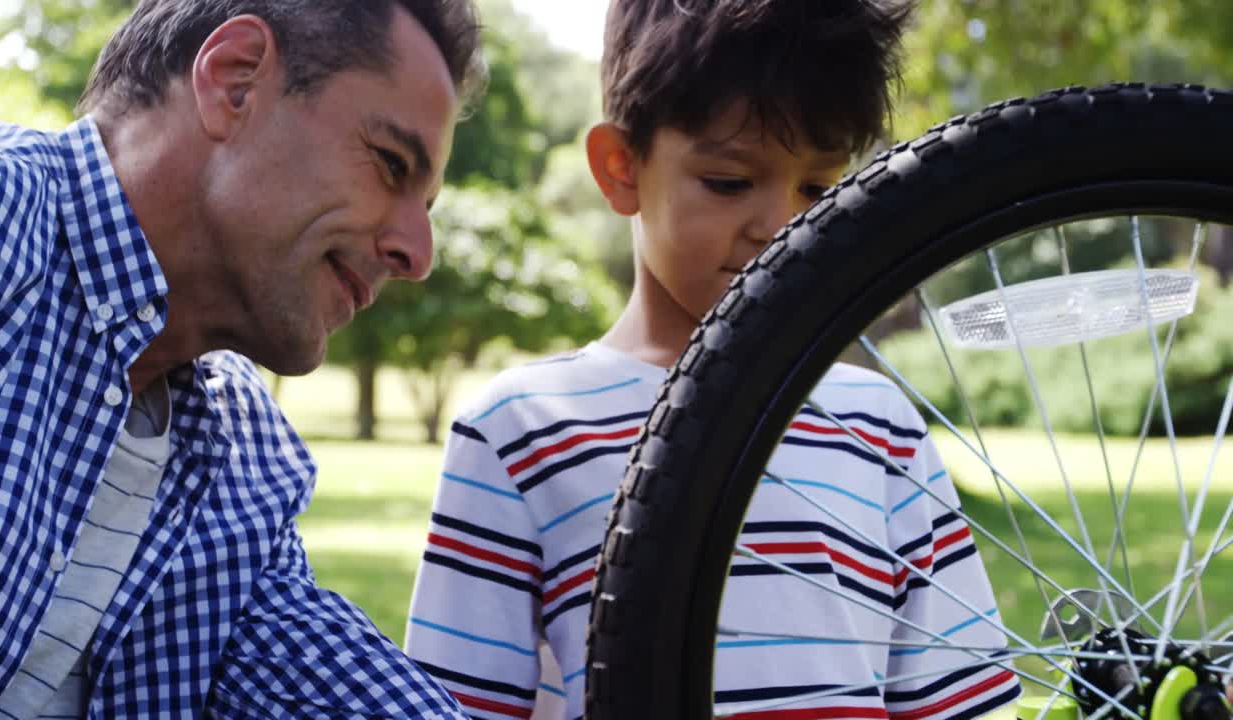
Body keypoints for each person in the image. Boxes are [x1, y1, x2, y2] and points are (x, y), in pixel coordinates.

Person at [405, 1, 1023, 718]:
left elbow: (955, 703)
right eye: (730, 182)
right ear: (619, 168)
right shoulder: (517, 431)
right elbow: (453, 708)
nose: (783, 228)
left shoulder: (881, 426)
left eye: (820, 190)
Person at [0, 0, 484, 716]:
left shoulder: (241, 462)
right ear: (234, 82)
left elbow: (330, 688)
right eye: (392, 164)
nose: (418, 254)